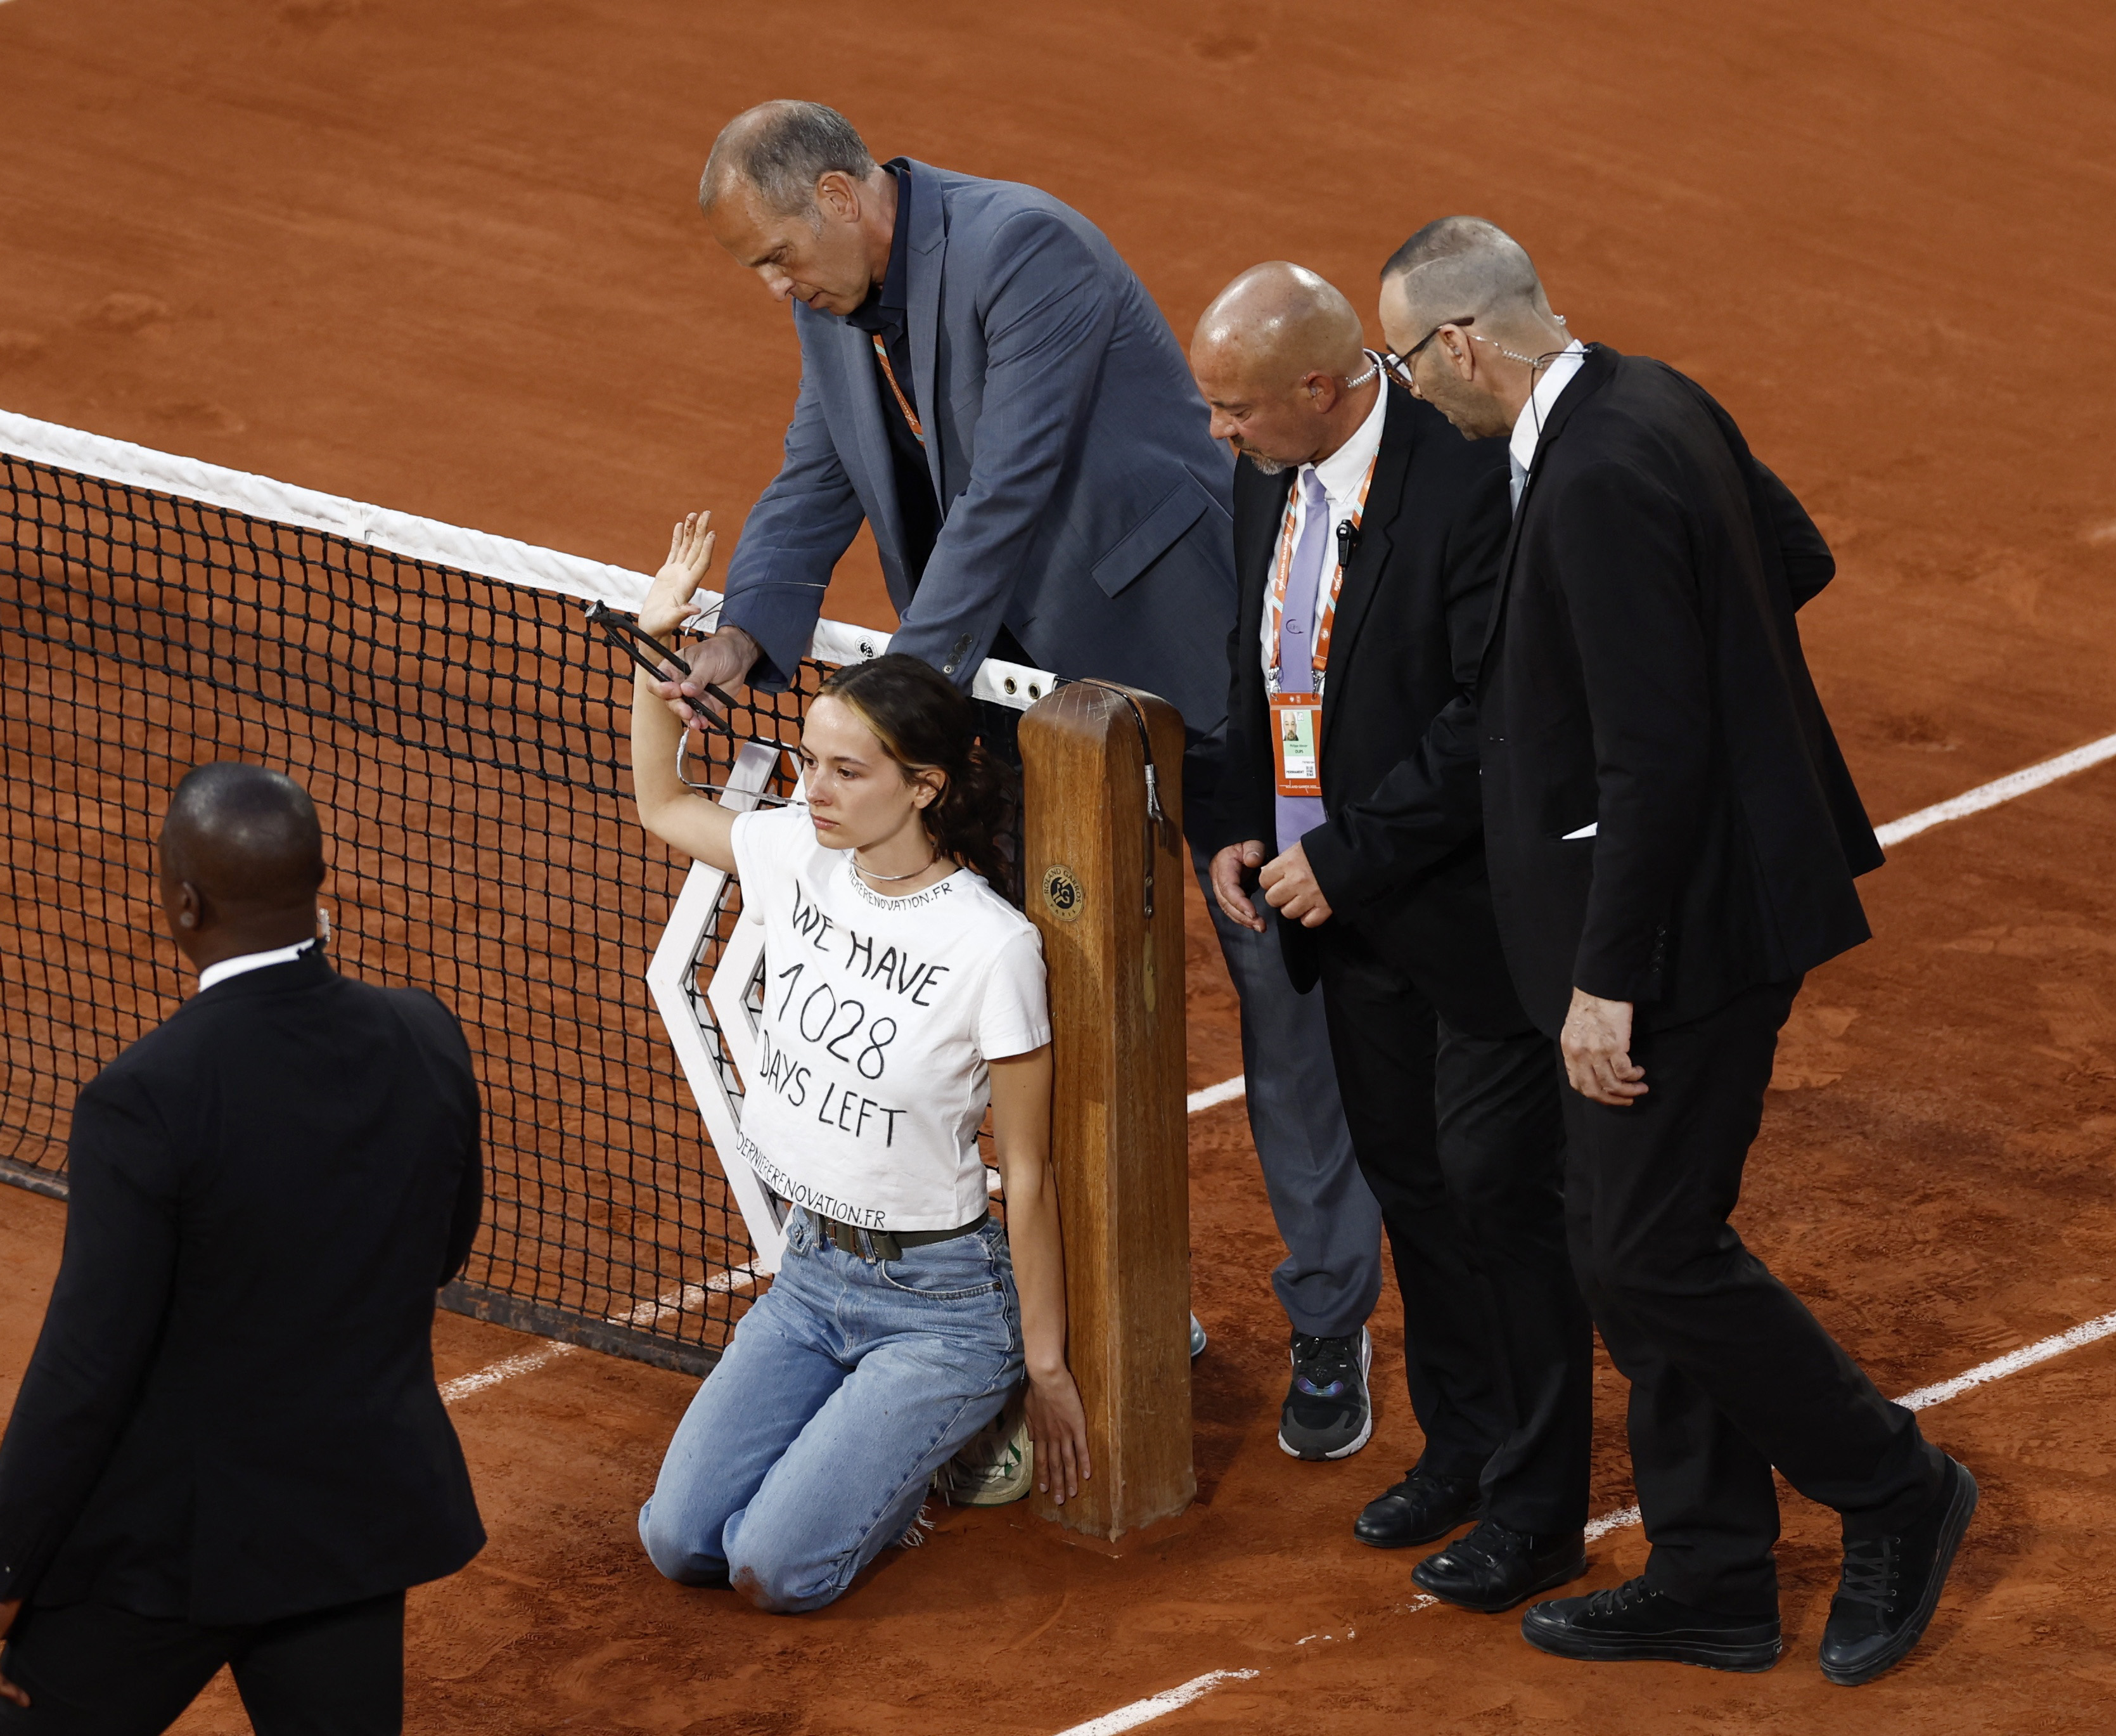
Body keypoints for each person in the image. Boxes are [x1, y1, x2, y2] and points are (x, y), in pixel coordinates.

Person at [1375, 217, 1975, 1683]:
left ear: (1459, 344)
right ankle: (1711, 1573)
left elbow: (1650, 754)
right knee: (1621, 1236)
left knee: (1645, 1252)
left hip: (1679, 939)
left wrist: (1609, 975)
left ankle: (1894, 1482)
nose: (1405, 391)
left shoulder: (1589, 475)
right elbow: (1791, 555)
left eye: (1402, 361)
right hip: (1698, 899)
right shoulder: (1654, 395)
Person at [1191, 264, 1593, 1607]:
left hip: (1468, 921)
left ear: (1318, 387)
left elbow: (1485, 717)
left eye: (1236, 408)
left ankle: (1540, 1499)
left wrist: (1346, 857)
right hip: (1342, 917)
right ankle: (1462, 1446)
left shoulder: (1466, 475)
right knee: (1416, 1194)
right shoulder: (1270, 469)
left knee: (1499, 1203)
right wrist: (1243, 818)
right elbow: (1262, 666)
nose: (1218, 437)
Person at [0, 763, 486, 1733]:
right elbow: (441, 1250)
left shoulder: (145, 1094)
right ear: (318, 881)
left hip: (167, 1550)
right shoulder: (425, 1033)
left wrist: (2, 1566)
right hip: (346, 1528)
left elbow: (88, 1363)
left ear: (183, 904)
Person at [632, 512, 1092, 1612]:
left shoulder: (993, 946)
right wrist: (657, 654)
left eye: (846, 770)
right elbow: (661, 803)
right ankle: (866, 1448)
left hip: (940, 1304)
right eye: (807, 762)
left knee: (773, 1568)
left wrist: (1048, 1365)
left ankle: (944, 1434)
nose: (814, 788)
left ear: (925, 784)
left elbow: (1025, 1172)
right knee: (678, 1539)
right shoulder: (797, 849)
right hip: (810, 1277)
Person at [666, 100, 1235, 839]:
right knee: (1043, 919)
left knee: (1262, 905)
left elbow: (1005, 489)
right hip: (1005, 669)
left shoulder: (1021, 248)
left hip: (1163, 632)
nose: (775, 287)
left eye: (778, 256)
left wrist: (902, 693)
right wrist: (741, 635)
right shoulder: (827, 307)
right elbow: (814, 476)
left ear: (837, 198)